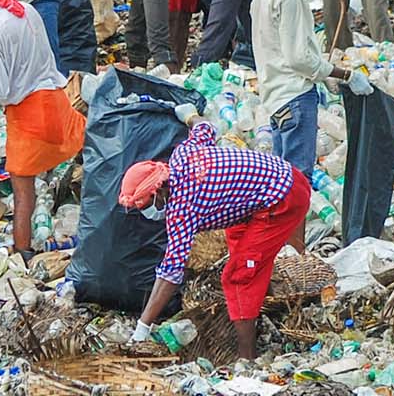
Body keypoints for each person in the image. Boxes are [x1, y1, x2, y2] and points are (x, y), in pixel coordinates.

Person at [121, 110, 310, 360]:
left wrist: (142, 327)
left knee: (238, 276)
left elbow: (170, 273)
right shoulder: (183, 154)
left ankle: (247, 358)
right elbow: (205, 128)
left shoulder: (182, 208)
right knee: (239, 247)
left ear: (160, 191)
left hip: (283, 198)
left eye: (145, 205)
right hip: (269, 189)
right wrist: (189, 115)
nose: (146, 212)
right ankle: (261, 308)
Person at [249, 0, 373, 244]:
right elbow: (299, 59)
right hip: (294, 97)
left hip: (274, 96)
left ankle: (279, 252)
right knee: (296, 184)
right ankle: (295, 255)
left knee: (279, 182)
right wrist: (343, 74)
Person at [0, 0, 85, 257]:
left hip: (27, 117)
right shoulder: (28, 10)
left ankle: (22, 252)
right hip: (56, 102)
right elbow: (26, 57)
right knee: (80, 161)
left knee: (23, 195)